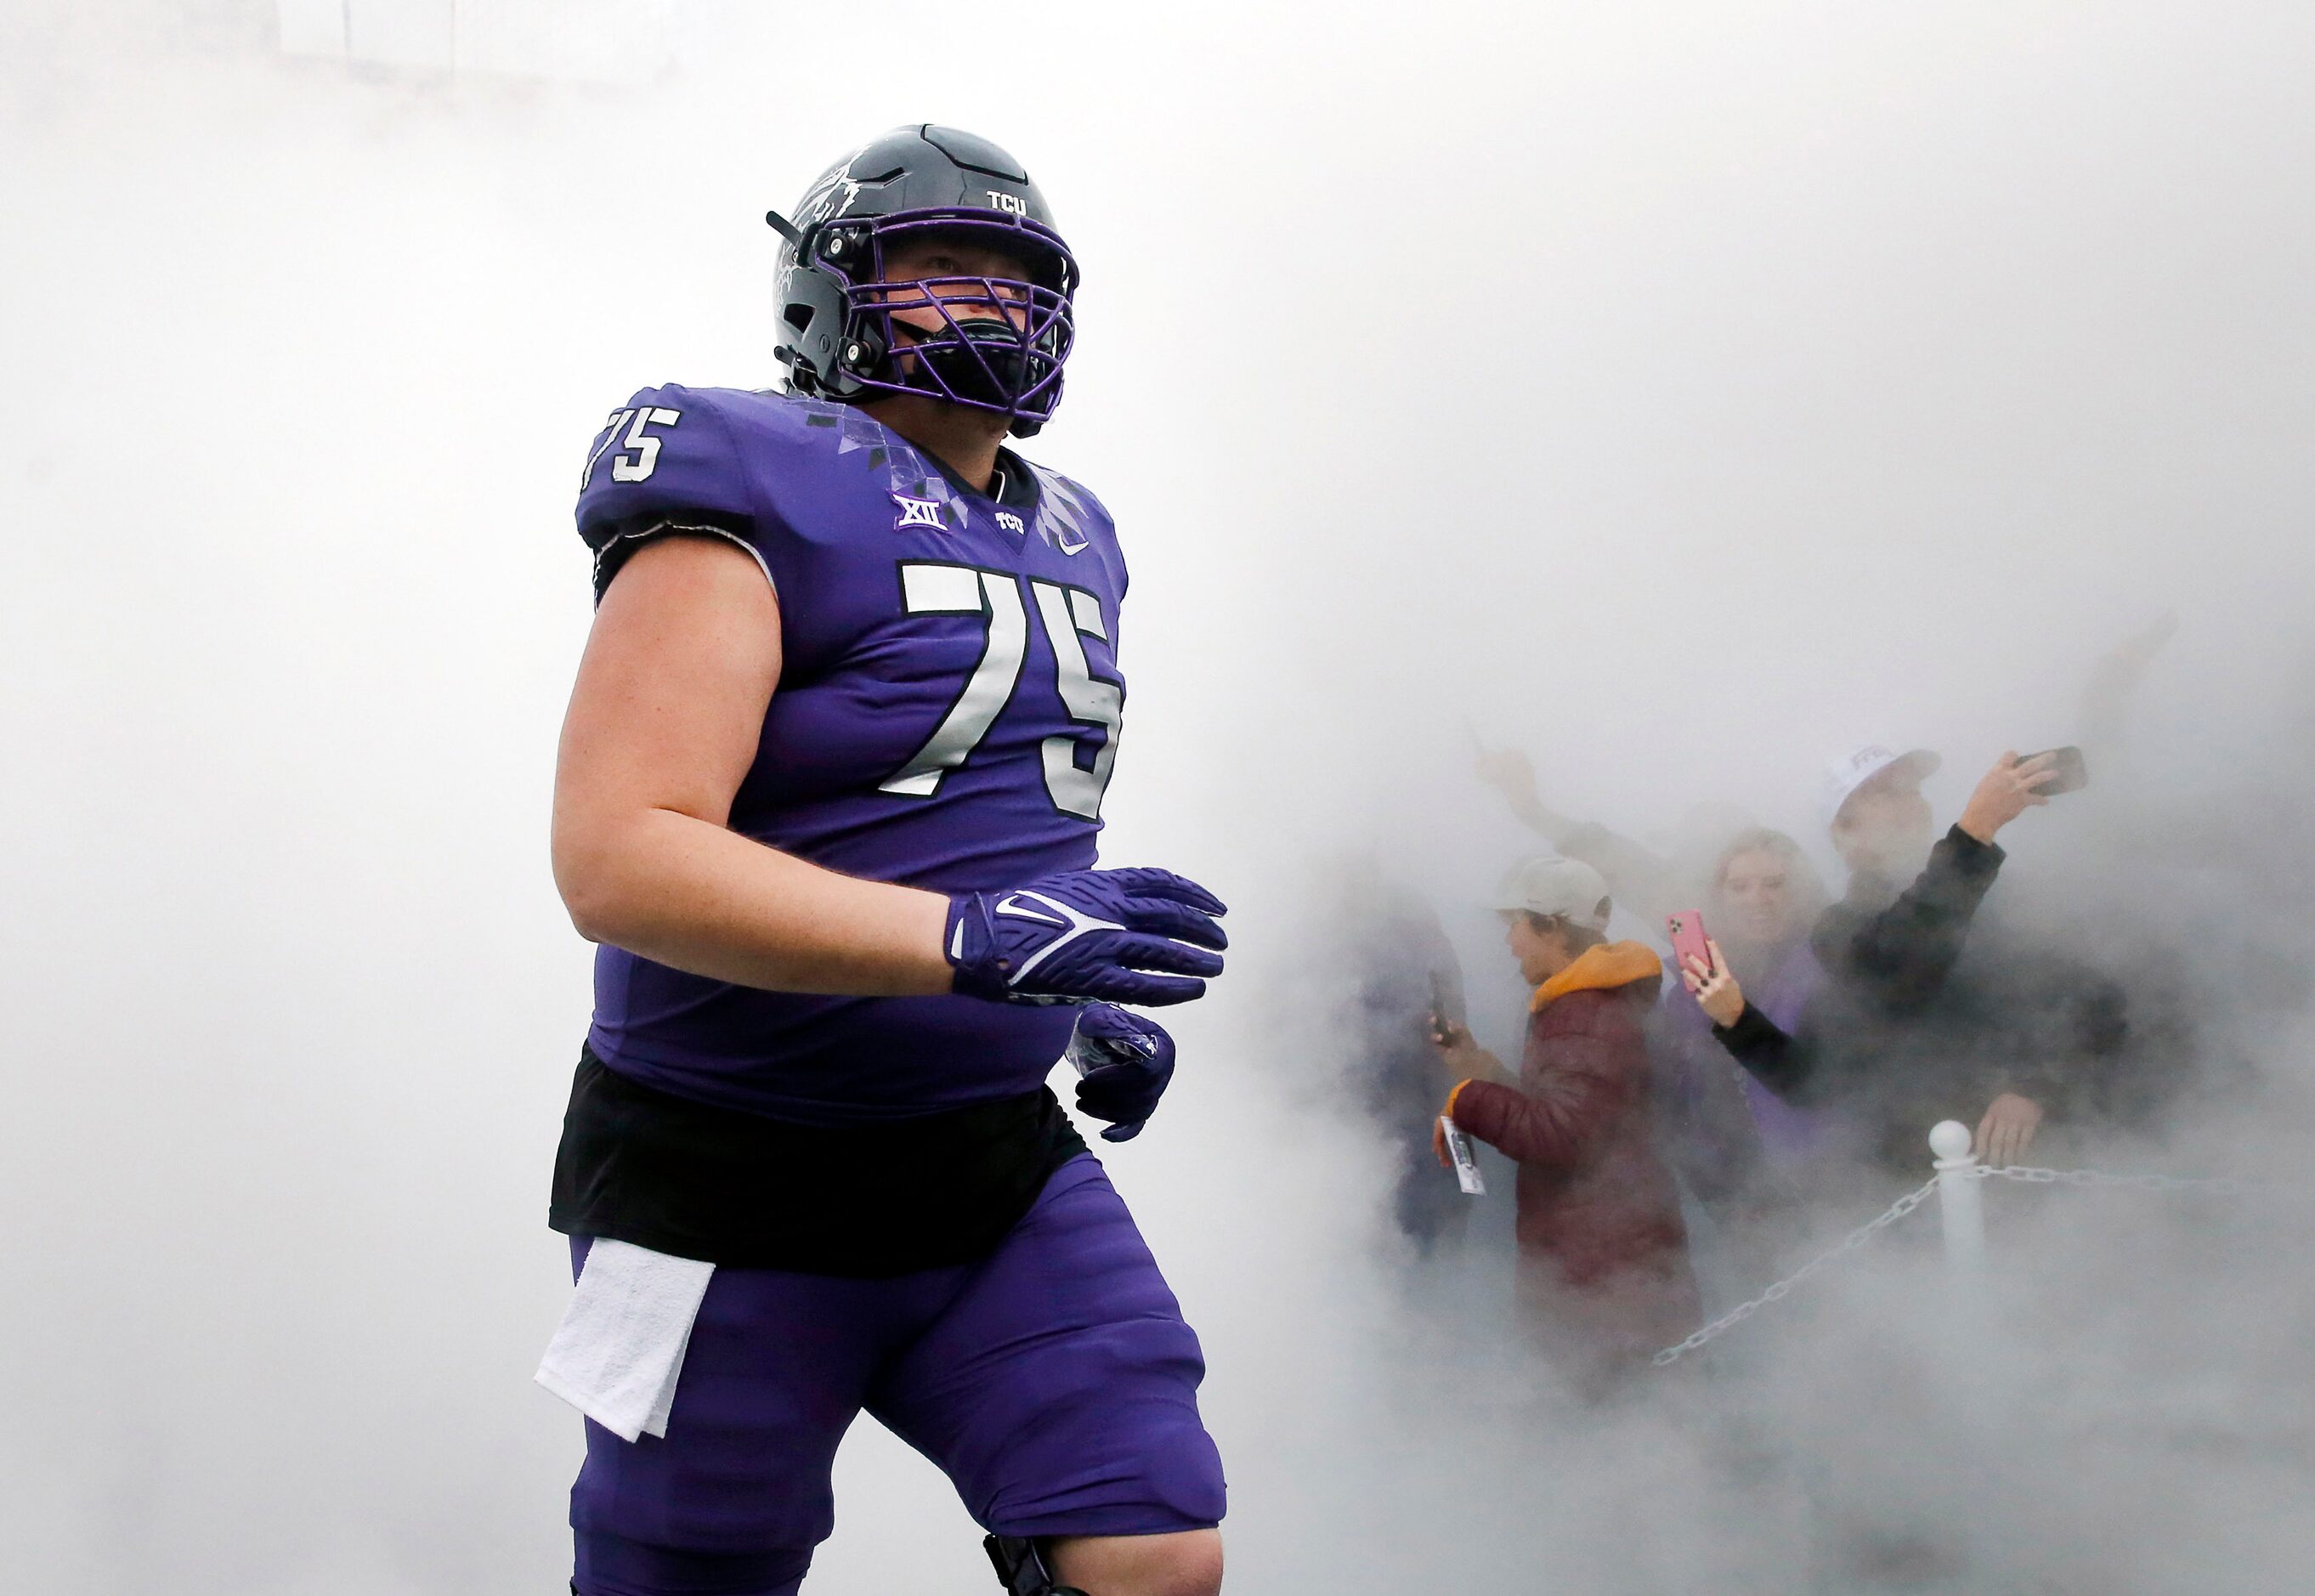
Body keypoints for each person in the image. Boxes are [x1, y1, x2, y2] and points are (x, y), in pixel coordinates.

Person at [541, 126, 1231, 1596]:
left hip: (983, 1156)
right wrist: (970, 943)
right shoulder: (748, 476)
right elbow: (619, 854)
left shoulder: (1076, 527)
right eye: (933, 269)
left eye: (1009, 275)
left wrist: (1056, 985)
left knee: (1154, 1543)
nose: (979, 304)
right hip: (714, 1177)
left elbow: (991, 811)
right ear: (827, 296)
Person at [1682, 744, 2065, 1170]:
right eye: (1888, 792)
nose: (1913, 800)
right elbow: (1890, 987)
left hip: (2053, 1172)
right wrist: (1736, 1019)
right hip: (1920, 1184)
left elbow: (2087, 1000)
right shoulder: (1839, 927)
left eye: (1913, 788)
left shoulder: (1994, 893)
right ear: (1845, 832)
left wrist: (2036, 1086)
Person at [1429, 856, 1699, 1390]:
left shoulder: (1586, 1013)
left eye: (1515, 925)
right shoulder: (1588, 1002)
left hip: (1605, 1276)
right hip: (1610, 1261)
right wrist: (1480, 1068)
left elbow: (1560, 1135)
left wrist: (1469, 1099)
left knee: (1614, 1426)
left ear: (1551, 925)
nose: (1509, 941)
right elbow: (1578, 1113)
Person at [1652, 829, 1836, 1217]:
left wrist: (1735, 1018)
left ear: (1800, 890)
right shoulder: (1688, 991)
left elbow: (1818, 1085)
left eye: (1774, 883)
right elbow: (1676, 1095)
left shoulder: (1828, 972)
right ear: (1717, 897)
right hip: (1731, 1200)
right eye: (1739, 886)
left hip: (1822, 1193)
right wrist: (1703, 1178)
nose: (1758, 899)